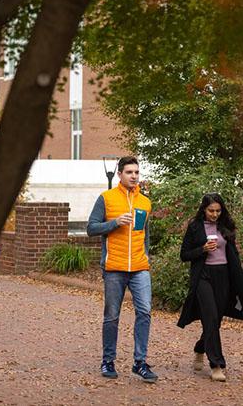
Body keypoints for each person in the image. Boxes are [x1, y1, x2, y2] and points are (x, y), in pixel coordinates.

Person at [87, 156, 158, 383]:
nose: (134, 176)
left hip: (139, 267)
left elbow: (145, 235)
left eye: (137, 172)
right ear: (120, 174)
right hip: (114, 268)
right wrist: (115, 222)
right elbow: (91, 228)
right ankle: (108, 360)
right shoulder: (106, 199)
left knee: (145, 311)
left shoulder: (145, 202)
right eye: (129, 172)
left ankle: (140, 363)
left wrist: (146, 257)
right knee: (111, 316)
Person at [177, 193, 243, 382]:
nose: (214, 214)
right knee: (211, 315)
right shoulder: (195, 227)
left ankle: (199, 348)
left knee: (215, 321)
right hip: (203, 276)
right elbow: (184, 255)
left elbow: (232, 254)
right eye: (211, 211)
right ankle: (216, 365)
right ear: (203, 210)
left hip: (224, 277)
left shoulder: (226, 227)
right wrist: (202, 249)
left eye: (218, 211)